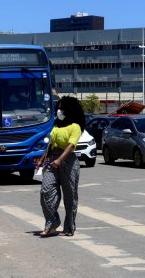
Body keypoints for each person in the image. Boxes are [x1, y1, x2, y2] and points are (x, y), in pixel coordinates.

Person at [35, 96, 85, 237]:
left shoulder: (75, 126)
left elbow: (71, 145)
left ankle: (69, 227)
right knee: (46, 191)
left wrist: (60, 160)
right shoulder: (56, 126)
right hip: (52, 159)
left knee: (70, 196)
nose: (59, 111)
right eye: (59, 108)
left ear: (69, 110)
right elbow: (50, 144)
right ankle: (52, 222)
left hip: (68, 161)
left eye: (62, 108)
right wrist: (42, 158)